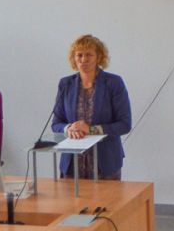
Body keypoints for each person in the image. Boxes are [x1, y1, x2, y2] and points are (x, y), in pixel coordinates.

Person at [51, 34, 132, 180]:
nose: (83, 59)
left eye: (89, 54)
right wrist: (68, 128)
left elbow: (124, 124)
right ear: (73, 58)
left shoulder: (114, 83)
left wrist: (91, 129)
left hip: (105, 164)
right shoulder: (65, 84)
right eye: (79, 55)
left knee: (108, 203)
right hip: (72, 165)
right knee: (70, 203)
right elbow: (56, 124)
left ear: (99, 57)